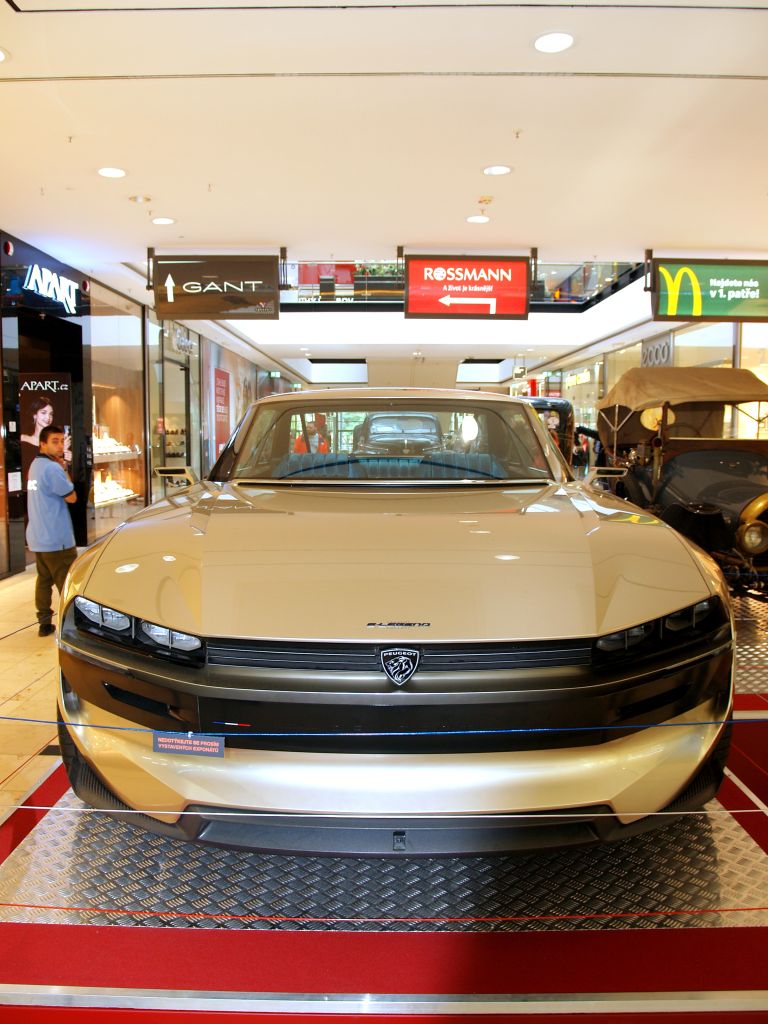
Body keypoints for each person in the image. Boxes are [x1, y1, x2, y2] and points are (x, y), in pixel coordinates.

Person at [26, 424, 77, 637]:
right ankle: (73, 626)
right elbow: (71, 497)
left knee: (44, 581)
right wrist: (64, 469)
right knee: (68, 583)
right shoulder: (52, 468)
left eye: (62, 441)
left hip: (38, 536)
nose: (60, 446)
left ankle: (44, 623)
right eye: (54, 442)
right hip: (57, 538)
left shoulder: (34, 465)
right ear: (42, 444)